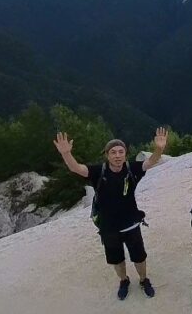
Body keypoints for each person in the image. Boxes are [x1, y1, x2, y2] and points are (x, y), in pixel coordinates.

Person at [53, 128, 168, 300]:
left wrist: (159, 148)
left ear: (125, 154)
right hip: (109, 227)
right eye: (113, 152)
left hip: (131, 223)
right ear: (107, 155)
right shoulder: (98, 172)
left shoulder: (132, 169)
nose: (117, 155)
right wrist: (66, 154)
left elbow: (151, 161)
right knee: (116, 259)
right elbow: (76, 168)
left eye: (121, 152)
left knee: (139, 256)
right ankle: (124, 280)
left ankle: (144, 279)